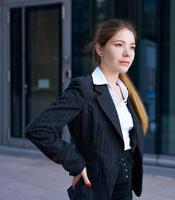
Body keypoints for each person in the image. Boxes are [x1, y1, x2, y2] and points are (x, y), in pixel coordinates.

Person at [25, 19, 148, 200]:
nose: (127, 53)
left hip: (125, 185)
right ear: (100, 48)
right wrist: (75, 163)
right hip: (98, 188)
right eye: (119, 44)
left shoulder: (124, 91)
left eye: (132, 46)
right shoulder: (84, 88)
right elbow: (38, 130)